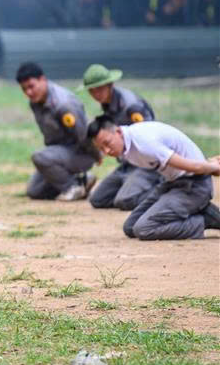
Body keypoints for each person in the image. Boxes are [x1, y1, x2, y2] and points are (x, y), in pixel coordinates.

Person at [87, 116, 220, 240]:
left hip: (194, 185)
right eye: (101, 149)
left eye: (107, 143)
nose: (107, 151)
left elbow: (194, 167)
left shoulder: (144, 142)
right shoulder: (127, 143)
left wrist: (213, 167)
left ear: (118, 132)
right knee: (130, 227)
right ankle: (197, 209)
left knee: (144, 229)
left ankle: (203, 219)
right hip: (172, 183)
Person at [77, 64, 161, 210]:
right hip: (128, 163)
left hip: (146, 163)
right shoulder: (107, 103)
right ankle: (132, 188)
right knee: (98, 200)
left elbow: (149, 136)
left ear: (110, 84)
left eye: (99, 88)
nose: (95, 94)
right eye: (91, 90)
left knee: (125, 200)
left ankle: (166, 190)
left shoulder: (131, 106)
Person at [16, 62, 99, 201]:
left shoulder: (63, 104)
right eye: (24, 89)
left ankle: (72, 187)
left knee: (39, 156)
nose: (28, 92)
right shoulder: (35, 102)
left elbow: (83, 134)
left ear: (42, 79)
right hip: (59, 153)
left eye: (31, 86)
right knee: (34, 191)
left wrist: (96, 155)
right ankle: (82, 181)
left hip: (82, 152)